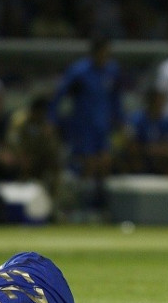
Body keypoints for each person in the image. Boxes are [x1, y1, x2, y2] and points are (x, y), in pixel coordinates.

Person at [48, 37, 124, 211]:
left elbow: (115, 98)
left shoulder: (112, 71)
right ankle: (80, 206)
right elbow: (60, 94)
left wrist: (120, 120)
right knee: (88, 164)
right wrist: (52, 119)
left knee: (105, 162)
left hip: (103, 125)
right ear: (94, 53)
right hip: (84, 125)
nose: (105, 57)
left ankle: (101, 207)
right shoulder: (79, 71)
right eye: (103, 53)